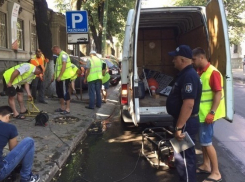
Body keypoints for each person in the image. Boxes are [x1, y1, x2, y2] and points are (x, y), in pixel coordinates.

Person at [166, 45, 202, 182]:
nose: (172, 61)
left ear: (182, 60)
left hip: (185, 123)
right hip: (183, 122)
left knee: (185, 160)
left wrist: (179, 127)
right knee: (181, 157)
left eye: (175, 58)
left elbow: (188, 104)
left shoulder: (189, 76)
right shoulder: (186, 74)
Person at [192, 47, 224, 182]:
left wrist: (212, 112)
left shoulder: (213, 72)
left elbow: (218, 93)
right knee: (204, 142)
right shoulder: (201, 72)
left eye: (194, 59)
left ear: (201, 58)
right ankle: (206, 165)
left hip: (207, 115)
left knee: (207, 142)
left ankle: (216, 172)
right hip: (202, 114)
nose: (192, 62)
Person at [0, 105, 40, 182]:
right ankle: (26, 178)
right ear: (8, 116)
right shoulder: (10, 127)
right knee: (29, 141)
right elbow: (14, 149)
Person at [52, 45, 74, 115]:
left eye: (54, 52)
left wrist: (60, 76)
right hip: (59, 78)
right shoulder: (59, 56)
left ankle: (67, 109)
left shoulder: (63, 55)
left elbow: (64, 66)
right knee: (60, 93)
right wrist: (54, 76)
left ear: (56, 50)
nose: (54, 53)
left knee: (65, 93)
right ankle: (62, 107)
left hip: (63, 78)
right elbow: (57, 68)